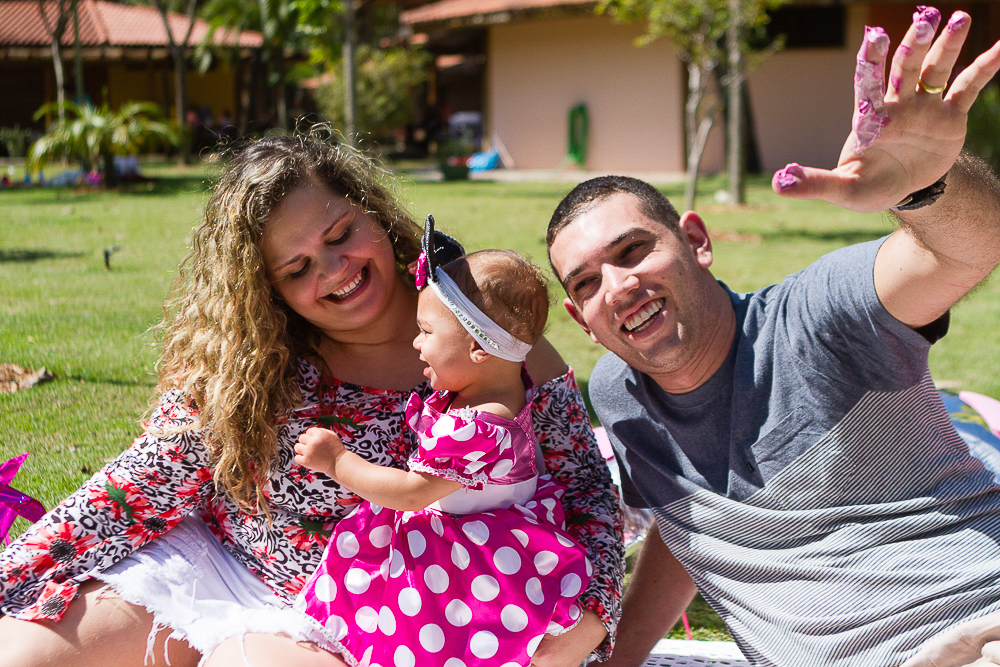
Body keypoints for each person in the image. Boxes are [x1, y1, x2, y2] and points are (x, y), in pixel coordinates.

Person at [0, 134, 623, 667]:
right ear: (267, 290)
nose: (332, 270)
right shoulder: (251, 364)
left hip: (384, 619)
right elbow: (137, 488)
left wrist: (591, 618)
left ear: (375, 213)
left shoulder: (499, 342)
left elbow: (587, 488)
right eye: (296, 269)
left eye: (340, 233)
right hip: (221, 568)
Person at [546, 7, 1000, 667]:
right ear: (580, 318)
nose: (617, 286)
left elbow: (965, 251)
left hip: (973, 626)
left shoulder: (820, 316)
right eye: (587, 283)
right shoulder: (620, 394)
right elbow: (691, 529)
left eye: (635, 249)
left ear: (696, 241)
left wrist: (926, 184)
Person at [293, 229, 592, 667]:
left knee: (433, 644)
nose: (416, 343)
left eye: (426, 331)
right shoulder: (508, 390)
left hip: (460, 568)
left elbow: (412, 493)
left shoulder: (476, 426)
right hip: (498, 541)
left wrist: (337, 460)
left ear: (476, 348)